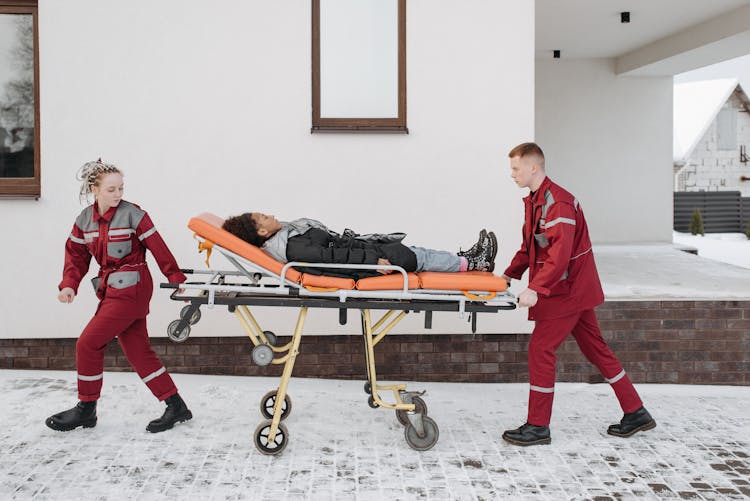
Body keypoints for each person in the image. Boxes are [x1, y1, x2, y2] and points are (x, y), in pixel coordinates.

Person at [500, 142, 655, 446]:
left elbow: (560, 255)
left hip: (567, 291)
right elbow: (530, 249)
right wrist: (508, 275)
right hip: (572, 290)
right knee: (597, 349)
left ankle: (538, 426)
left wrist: (534, 288)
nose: (512, 175)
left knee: (540, 349)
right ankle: (636, 411)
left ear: (534, 167)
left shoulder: (558, 203)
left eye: (516, 168)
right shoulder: (536, 201)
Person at [47, 159, 192, 433]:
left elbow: (159, 248)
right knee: (138, 351)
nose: (118, 195)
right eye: (111, 189)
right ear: (95, 189)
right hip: (111, 289)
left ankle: (86, 408)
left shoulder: (134, 215)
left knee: (87, 344)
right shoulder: (84, 220)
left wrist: (176, 279)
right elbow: (76, 256)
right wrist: (69, 284)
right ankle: (175, 405)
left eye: (121, 189)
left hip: (133, 289)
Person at [221, 213, 498, 278]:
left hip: (363, 252)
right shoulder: (291, 248)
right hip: (365, 263)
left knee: (417, 253)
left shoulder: (287, 237)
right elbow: (330, 259)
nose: (269, 214)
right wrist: (372, 263)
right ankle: (474, 263)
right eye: (263, 217)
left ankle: (465, 259)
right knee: (418, 259)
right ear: (260, 231)